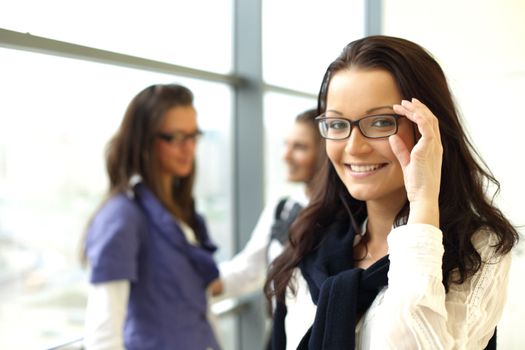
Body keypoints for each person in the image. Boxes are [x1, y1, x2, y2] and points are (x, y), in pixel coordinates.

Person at [265, 35, 519, 349]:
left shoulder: (479, 250)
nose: (354, 147)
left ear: (429, 127)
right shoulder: (310, 238)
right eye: (336, 124)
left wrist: (423, 202)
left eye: (382, 122)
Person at [82, 84, 222, 350]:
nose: (188, 148)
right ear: (144, 139)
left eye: (193, 136)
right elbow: (103, 338)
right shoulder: (122, 216)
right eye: (176, 137)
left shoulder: (181, 212)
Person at [218, 108, 323, 347]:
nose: (286, 156)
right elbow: (248, 269)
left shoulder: (346, 217)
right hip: (279, 334)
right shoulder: (282, 207)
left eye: (300, 147)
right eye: (286, 144)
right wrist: (192, 279)